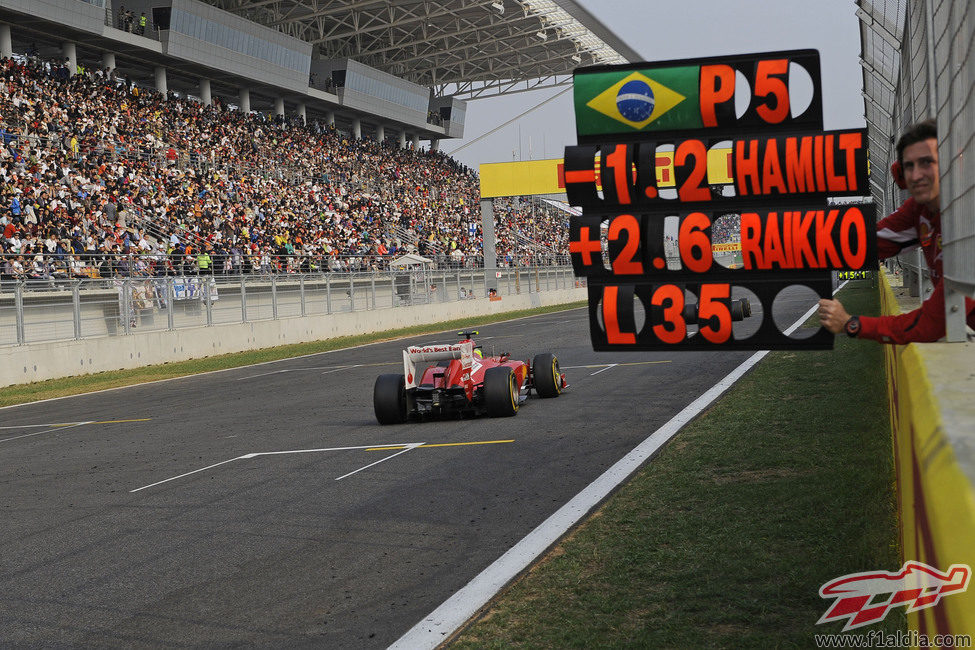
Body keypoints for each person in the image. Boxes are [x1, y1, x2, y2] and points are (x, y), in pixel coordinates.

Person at [818, 119, 975, 343]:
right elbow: (868, 243)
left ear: (953, 161)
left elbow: (929, 326)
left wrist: (851, 324)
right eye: (909, 166)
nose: (916, 175)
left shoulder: (967, 219)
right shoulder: (920, 209)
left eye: (927, 162)